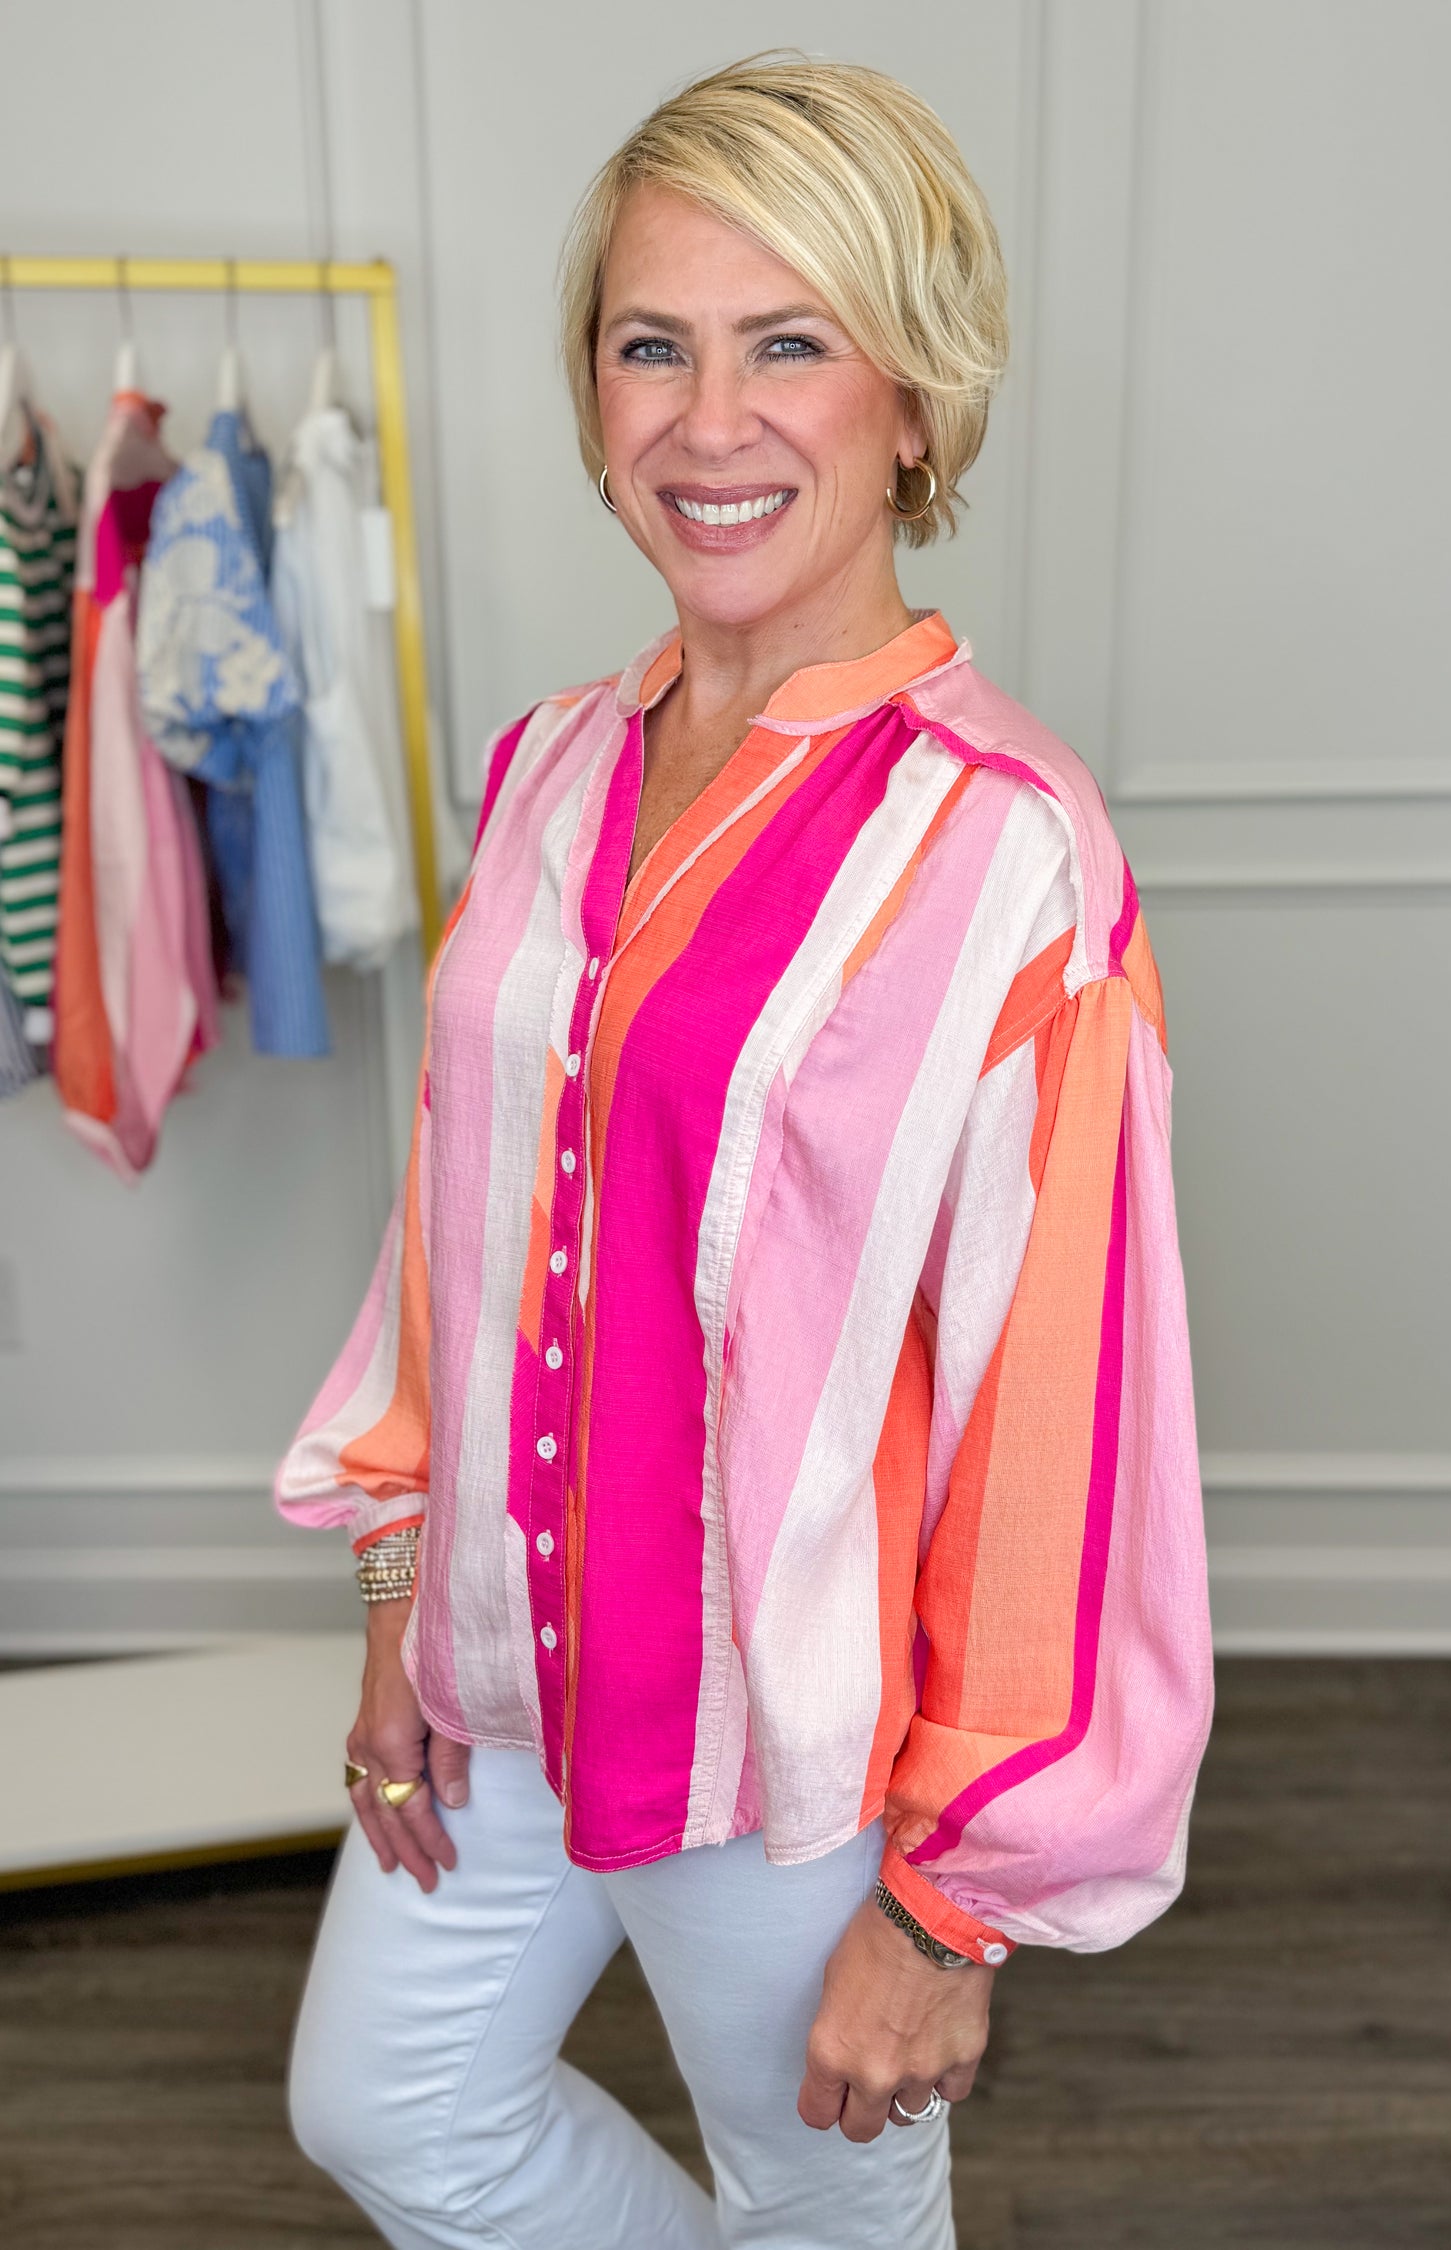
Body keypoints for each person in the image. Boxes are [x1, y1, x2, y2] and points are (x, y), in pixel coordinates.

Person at [275, 53, 1214, 2250]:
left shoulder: (1008, 857)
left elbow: (1064, 1424)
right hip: (500, 1688)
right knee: (388, 2111)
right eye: (652, 344)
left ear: (916, 396)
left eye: (789, 342)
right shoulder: (542, 769)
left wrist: (958, 1900)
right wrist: (401, 1592)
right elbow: (460, 1232)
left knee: (825, 2213)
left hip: (791, 1765)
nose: (711, 421)